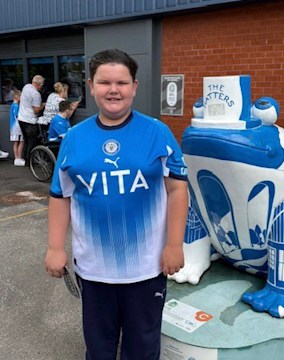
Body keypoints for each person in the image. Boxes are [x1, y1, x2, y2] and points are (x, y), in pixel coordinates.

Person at [45, 49, 189, 360]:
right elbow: (61, 195)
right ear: (91, 86)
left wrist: (175, 244)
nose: (114, 90)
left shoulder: (157, 133)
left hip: (147, 269)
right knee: (99, 348)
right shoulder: (74, 138)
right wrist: (56, 247)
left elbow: (178, 189)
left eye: (122, 82)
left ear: (134, 86)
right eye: (105, 82)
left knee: (142, 348)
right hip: (94, 271)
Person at [18, 75, 46, 165]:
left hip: (21, 118)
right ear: (39, 84)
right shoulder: (36, 94)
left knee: (26, 140)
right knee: (32, 142)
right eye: (42, 85)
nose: (42, 87)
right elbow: (36, 110)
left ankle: (25, 159)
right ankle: (29, 161)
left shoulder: (26, 87)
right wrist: (43, 105)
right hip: (30, 120)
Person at [9, 90, 25, 166]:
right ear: (17, 97)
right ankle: (18, 157)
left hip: (14, 127)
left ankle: (17, 158)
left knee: (16, 142)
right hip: (17, 127)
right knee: (21, 141)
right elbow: (17, 116)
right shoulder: (16, 106)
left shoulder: (13, 105)